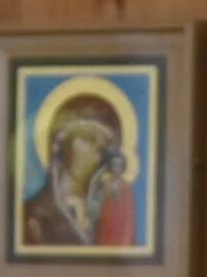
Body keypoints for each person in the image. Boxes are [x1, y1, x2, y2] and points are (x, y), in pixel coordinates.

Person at [18, 92, 134, 248]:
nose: (94, 154)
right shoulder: (33, 214)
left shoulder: (107, 207)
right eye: (88, 139)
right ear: (61, 142)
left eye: (103, 148)